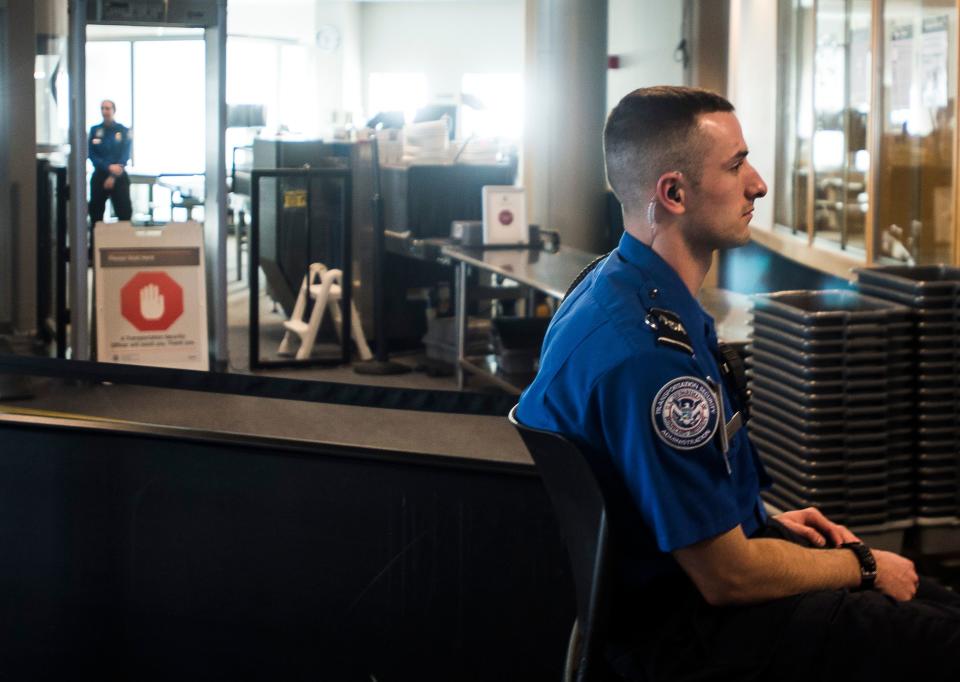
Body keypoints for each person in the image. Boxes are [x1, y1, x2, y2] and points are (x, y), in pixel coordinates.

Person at [516, 86, 960, 681]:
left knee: (937, 600)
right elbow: (729, 576)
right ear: (672, 194)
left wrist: (767, 523)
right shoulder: (649, 357)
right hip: (690, 634)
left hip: (678, 589)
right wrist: (864, 566)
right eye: (735, 166)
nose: (758, 184)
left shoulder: (613, 287)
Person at [88, 99, 133, 226]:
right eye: (102, 108)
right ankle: (94, 245)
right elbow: (92, 155)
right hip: (100, 174)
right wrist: (108, 167)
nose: (105, 111)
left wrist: (113, 174)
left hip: (119, 176)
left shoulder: (123, 131)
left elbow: (125, 154)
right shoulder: (95, 131)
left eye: (107, 108)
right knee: (95, 215)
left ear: (113, 110)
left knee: (124, 214)